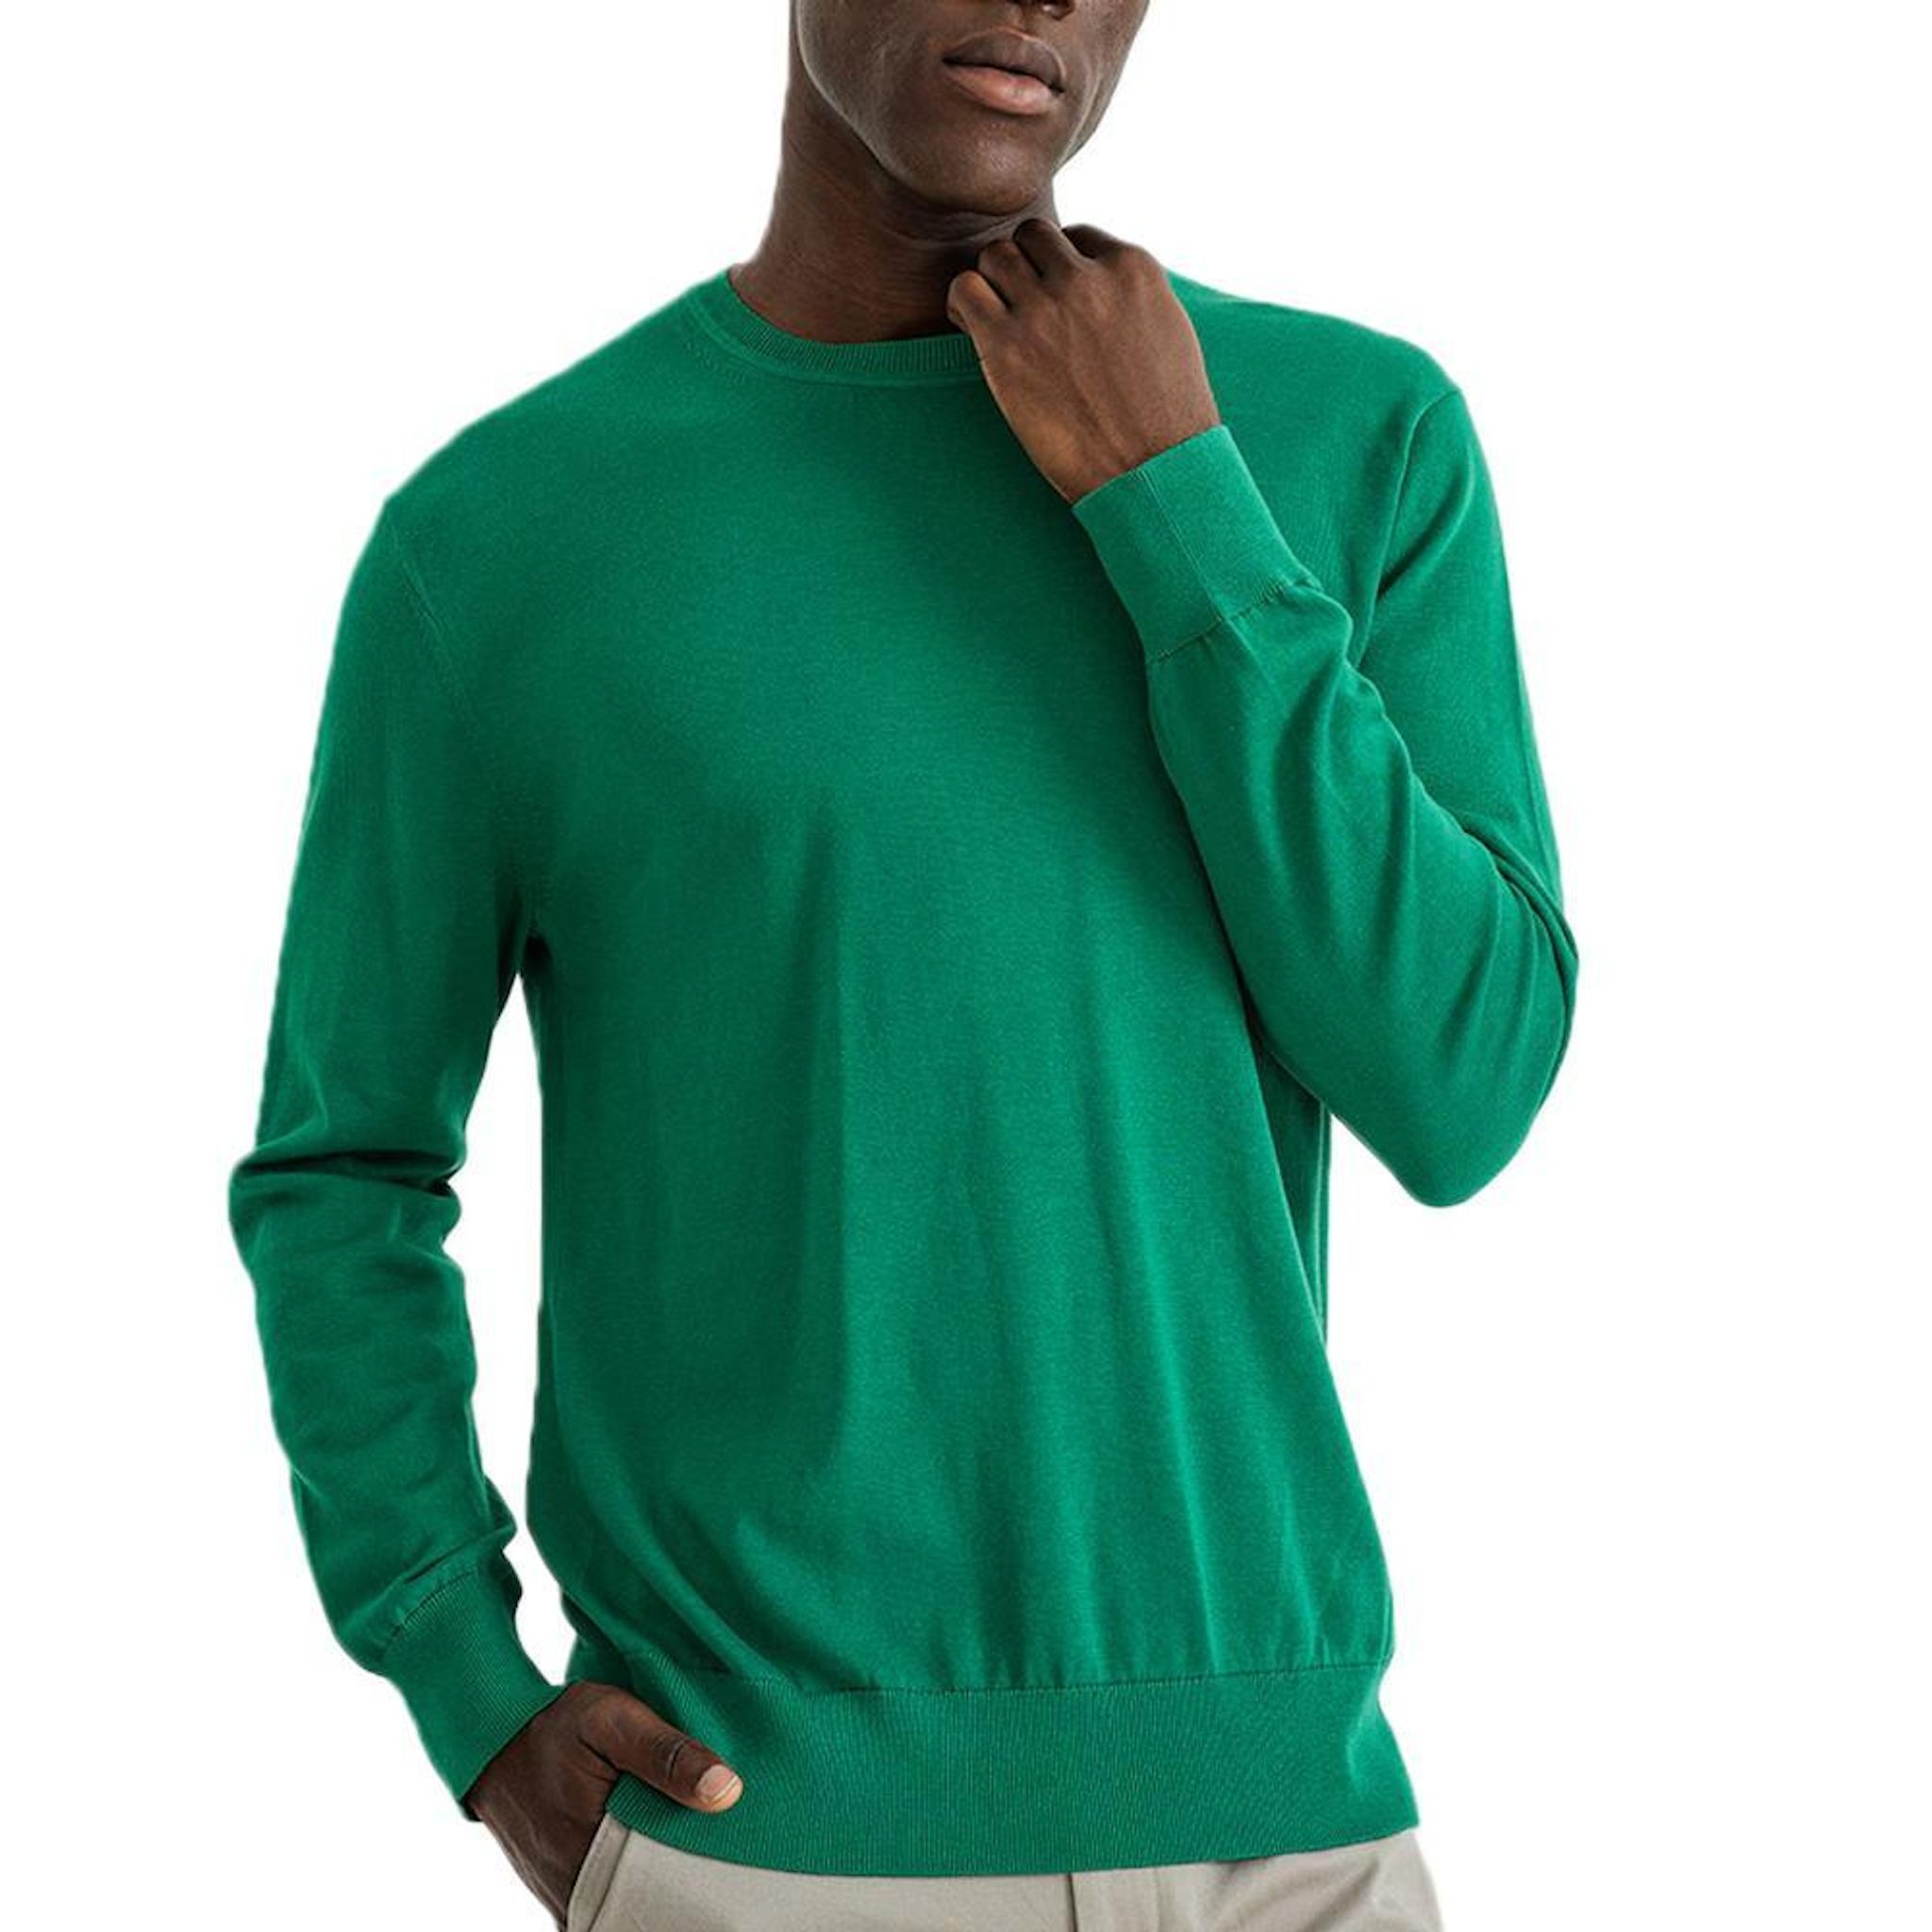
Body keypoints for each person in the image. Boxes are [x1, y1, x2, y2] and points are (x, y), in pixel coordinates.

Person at [227, 2, 1579, 1926]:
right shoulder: (507, 538)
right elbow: (343, 1171)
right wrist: (463, 1678)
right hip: (753, 1836)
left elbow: (1464, 1083)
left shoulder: (1352, 440)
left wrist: (1174, 498)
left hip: (1293, 1836)